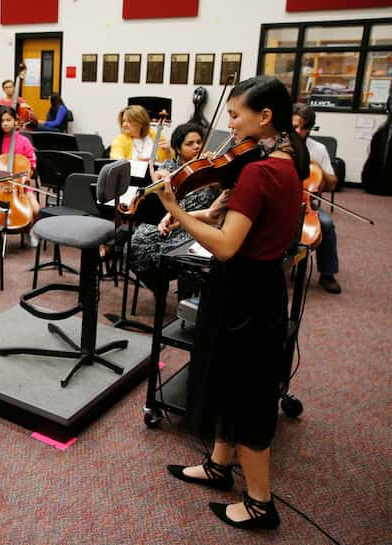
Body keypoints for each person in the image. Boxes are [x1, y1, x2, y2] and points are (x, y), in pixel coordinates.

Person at [159, 76, 306, 530]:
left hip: (244, 294)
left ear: (265, 117)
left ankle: (261, 504)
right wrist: (211, 208)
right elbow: (245, 220)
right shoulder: (285, 160)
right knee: (229, 382)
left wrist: (176, 209)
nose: (230, 122)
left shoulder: (259, 172)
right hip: (258, 289)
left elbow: (225, 246)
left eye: (236, 114)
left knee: (247, 398)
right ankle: (220, 466)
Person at [129, 123, 224, 284]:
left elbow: (222, 198)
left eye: (199, 142)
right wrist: (160, 178)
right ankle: (158, 287)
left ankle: (182, 290)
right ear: (178, 148)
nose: (197, 146)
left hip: (197, 223)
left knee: (180, 256)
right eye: (189, 143)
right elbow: (158, 190)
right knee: (137, 243)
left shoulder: (211, 168)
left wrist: (216, 178)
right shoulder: (170, 167)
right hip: (166, 218)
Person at [292, 103, 342, 294]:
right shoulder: (278, 144)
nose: (293, 131)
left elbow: (332, 183)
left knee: (327, 225)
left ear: (308, 129)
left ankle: (327, 274)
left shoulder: (318, 149)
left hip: (305, 202)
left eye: (297, 127)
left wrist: (316, 166)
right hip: (279, 200)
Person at [0, 106, 40, 243]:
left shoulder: (24, 142)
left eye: (8, 120)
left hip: (19, 187)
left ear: (15, 121)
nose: (5, 123)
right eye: (2, 120)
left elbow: (31, 162)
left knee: (35, 208)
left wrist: (27, 175)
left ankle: (28, 229)